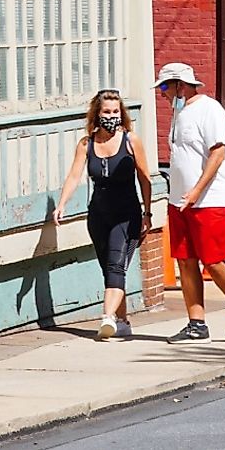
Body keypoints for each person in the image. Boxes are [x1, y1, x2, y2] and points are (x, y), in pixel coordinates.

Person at [155, 63, 225, 343]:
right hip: (180, 200)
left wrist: (197, 190)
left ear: (180, 85)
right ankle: (196, 323)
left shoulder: (209, 110)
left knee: (213, 259)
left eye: (164, 88)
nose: (162, 94)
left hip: (211, 199)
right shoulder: (179, 112)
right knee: (185, 259)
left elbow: (218, 153)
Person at [55, 87, 155, 340]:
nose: (112, 116)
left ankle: (107, 318)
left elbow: (144, 178)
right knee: (109, 269)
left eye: (116, 111)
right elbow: (74, 175)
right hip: (99, 215)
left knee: (115, 266)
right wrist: (62, 204)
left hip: (127, 214)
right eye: (107, 112)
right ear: (96, 115)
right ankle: (122, 321)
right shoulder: (86, 144)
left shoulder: (131, 141)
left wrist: (148, 212)